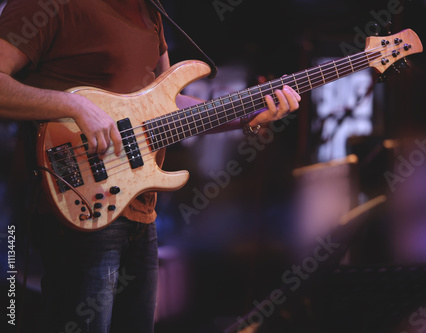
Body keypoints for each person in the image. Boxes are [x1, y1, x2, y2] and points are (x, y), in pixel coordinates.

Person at [0, 0, 301, 332]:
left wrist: (246, 115)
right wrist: (74, 105)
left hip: (139, 208)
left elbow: (166, 106)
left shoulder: (150, 9)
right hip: (77, 198)